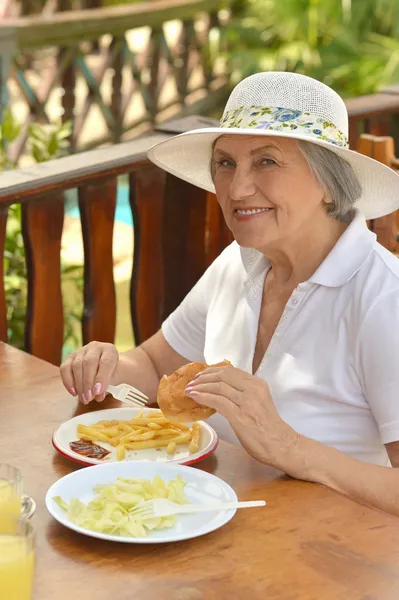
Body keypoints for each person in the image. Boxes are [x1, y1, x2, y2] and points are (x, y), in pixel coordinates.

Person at [60, 72, 399, 516]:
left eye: (267, 162)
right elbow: (153, 365)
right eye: (225, 163)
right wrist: (105, 365)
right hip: (221, 530)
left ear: (328, 183)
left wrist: (287, 446)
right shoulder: (241, 262)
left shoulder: (384, 300)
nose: (237, 190)